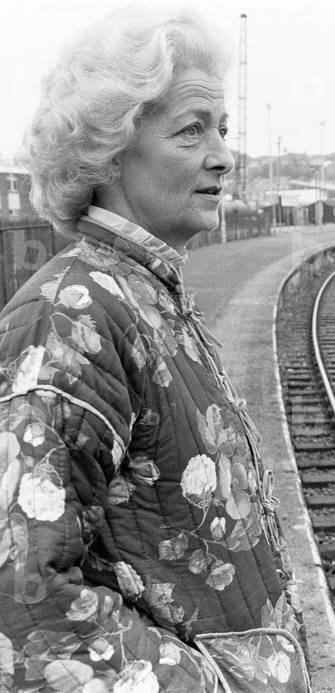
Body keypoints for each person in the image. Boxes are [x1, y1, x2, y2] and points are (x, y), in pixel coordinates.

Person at [0, 8, 309, 691]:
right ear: (109, 151)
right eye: (191, 130)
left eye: (222, 129)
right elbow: (22, 596)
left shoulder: (142, 296)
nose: (224, 155)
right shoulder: (72, 315)